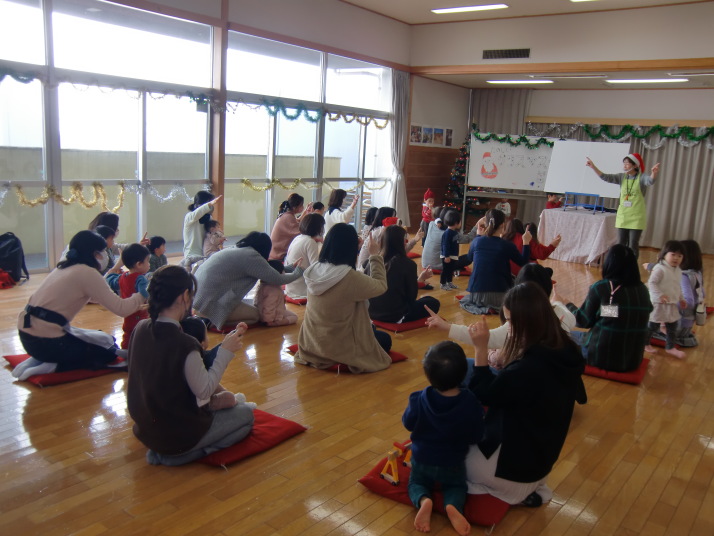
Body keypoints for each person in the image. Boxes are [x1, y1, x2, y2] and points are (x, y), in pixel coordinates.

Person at [466, 282, 587, 507]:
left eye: (511, 321)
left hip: (512, 471)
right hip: (540, 464)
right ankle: (529, 492)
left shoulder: (529, 368)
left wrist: (480, 348)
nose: (508, 328)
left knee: (448, 452)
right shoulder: (566, 349)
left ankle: (505, 493)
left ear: (528, 321)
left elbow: (484, 395)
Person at [126, 265, 255, 466]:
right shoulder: (184, 344)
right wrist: (225, 352)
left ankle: (169, 451)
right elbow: (205, 390)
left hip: (147, 429)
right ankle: (183, 454)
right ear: (184, 296)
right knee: (246, 416)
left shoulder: (141, 327)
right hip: (180, 433)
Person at [13, 230, 145, 379]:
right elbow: (122, 309)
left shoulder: (63, 267)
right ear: (94, 254)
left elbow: (96, 294)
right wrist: (142, 294)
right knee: (105, 354)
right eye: (102, 251)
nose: (104, 255)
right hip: (48, 342)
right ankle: (52, 365)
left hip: (28, 336)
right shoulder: (87, 273)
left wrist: (115, 271)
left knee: (101, 338)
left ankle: (38, 359)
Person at [428, 263, 576, 372]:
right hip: (551, 384)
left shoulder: (521, 324)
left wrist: (448, 327)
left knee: (459, 365)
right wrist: (557, 302)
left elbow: (489, 338)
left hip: (523, 384)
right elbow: (570, 316)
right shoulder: (559, 315)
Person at [403, 341, 484, 535]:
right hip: (452, 462)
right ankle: (453, 506)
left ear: (428, 374)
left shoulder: (418, 398)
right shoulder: (470, 402)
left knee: (416, 483)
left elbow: (408, 423)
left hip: (422, 458)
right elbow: (476, 435)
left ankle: (424, 500)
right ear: (463, 373)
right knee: (456, 486)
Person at [296, 223, 392, 373]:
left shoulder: (313, 269)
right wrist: (375, 256)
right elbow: (381, 286)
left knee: (373, 332)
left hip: (311, 342)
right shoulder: (349, 277)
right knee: (384, 339)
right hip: (336, 346)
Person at [559, 244, 653, 372]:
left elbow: (582, 321)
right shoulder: (643, 290)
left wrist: (565, 303)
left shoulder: (602, 287)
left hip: (600, 356)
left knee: (561, 334)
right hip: (632, 359)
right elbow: (641, 311)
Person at [193, 232, 304, 328]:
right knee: (256, 315)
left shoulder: (239, 250)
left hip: (198, 300)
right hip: (209, 304)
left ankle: (207, 317)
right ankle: (211, 321)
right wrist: (299, 272)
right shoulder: (251, 256)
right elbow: (277, 279)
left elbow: (268, 270)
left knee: (253, 305)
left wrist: (290, 268)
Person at [586, 153, 660, 258]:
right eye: (624, 163)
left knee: (633, 244)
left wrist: (654, 173)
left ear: (635, 165)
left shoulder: (642, 177)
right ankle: (619, 264)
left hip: (636, 217)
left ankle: (631, 265)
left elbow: (650, 181)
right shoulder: (622, 177)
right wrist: (593, 167)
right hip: (623, 215)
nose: (624, 165)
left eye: (627, 163)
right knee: (621, 243)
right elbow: (606, 177)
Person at [460, 209, 531, 315]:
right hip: (499, 295)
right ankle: (493, 307)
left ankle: (485, 308)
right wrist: (526, 242)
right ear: (503, 225)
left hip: (476, 295)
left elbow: (470, 258)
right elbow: (524, 263)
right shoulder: (507, 245)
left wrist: (478, 236)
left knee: (466, 299)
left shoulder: (476, 241)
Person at [366, 225, 439, 323]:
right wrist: (419, 281)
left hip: (370, 312)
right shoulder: (408, 264)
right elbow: (411, 297)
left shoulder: (372, 261)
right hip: (395, 315)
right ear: (401, 242)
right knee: (433, 302)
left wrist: (419, 279)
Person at [180, 316, 252, 411]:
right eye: (206, 335)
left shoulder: (185, 353)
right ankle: (237, 404)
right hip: (198, 403)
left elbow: (218, 351)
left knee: (217, 387)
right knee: (228, 397)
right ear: (202, 343)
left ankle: (238, 402)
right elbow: (217, 355)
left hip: (195, 395)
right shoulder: (196, 357)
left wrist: (236, 333)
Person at [644, 240, 687, 359]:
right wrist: (660, 295)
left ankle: (670, 347)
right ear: (664, 254)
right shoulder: (660, 268)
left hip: (671, 303)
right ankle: (645, 343)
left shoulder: (678, 270)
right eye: (673, 254)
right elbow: (652, 283)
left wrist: (681, 298)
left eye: (680, 256)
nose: (676, 258)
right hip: (658, 303)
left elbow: (677, 286)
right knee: (652, 325)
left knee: (672, 326)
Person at [105, 243, 151, 349]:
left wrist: (112, 273)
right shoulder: (141, 279)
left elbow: (111, 281)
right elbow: (145, 292)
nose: (149, 264)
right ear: (139, 264)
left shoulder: (122, 277)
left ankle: (126, 351)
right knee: (142, 335)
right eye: (147, 261)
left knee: (128, 333)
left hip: (128, 314)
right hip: (140, 314)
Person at [357, 206, 422, 270]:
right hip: (369, 269)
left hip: (372, 267)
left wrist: (414, 240)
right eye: (393, 217)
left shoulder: (382, 231)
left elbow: (399, 251)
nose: (395, 218)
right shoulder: (380, 233)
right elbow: (396, 253)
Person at [421, 208, 477, 272]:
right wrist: (476, 226)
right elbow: (468, 239)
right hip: (441, 265)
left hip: (425, 263)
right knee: (470, 256)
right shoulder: (451, 234)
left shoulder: (431, 224)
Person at [285, 213, 325, 300]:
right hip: (301, 290)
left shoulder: (298, 238)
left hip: (291, 287)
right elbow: (315, 268)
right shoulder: (310, 242)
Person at [181, 191, 221, 271]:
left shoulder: (209, 218)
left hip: (204, 255)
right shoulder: (189, 217)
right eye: (209, 204)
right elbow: (198, 213)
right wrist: (209, 204)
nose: (211, 207)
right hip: (192, 256)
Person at [254, 260, 299, 327]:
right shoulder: (274, 289)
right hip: (271, 315)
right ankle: (276, 323)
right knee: (294, 317)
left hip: (259, 312)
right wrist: (268, 320)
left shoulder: (262, 284)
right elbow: (268, 305)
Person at [269, 193, 304, 261]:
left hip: (274, 253)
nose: (303, 207)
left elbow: (297, 222)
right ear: (294, 207)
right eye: (301, 205)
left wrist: (305, 213)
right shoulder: (288, 217)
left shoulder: (286, 215)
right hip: (278, 256)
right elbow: (301, 232)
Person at [440, 209, 462, 291]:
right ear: (456, 223)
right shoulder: (447, 233)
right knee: (445, 270)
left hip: (453, 255)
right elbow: (445, 245)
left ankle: (449, 282)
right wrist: (446, 256)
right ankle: (443, 283)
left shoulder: (454, 232)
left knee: (450, 270)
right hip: (447, 256)